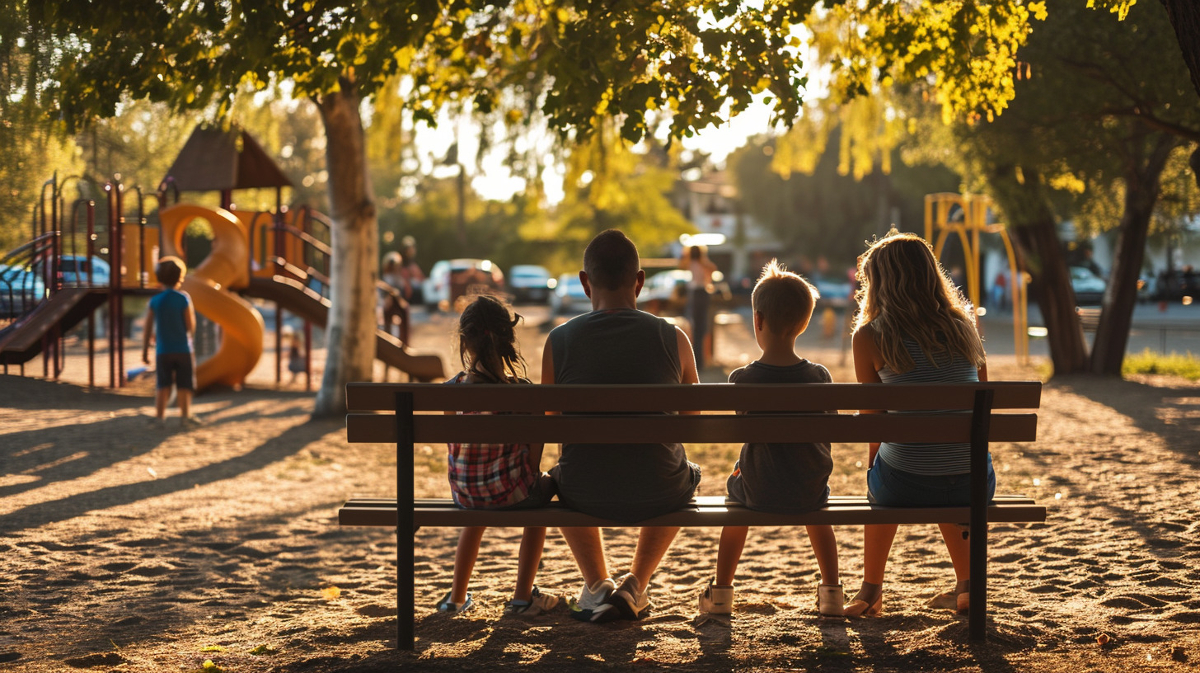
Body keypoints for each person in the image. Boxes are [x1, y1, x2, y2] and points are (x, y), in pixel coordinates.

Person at [541, 229, 701, 623]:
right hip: (660, 491)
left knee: (564, 473)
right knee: (687, 474)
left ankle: (597, 585)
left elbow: (549, 422)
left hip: (583, 493)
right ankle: (635, 585)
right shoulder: (673, 337)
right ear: (640, 281)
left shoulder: (558, 341)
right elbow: (693, 423)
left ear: (584, 282)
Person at [844, 230, 991, 617]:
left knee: (890, 472)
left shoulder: (870, 337)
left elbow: (873, 422)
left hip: (906, 481)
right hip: (973, 479)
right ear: (931, 276)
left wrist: (876, 464)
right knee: (949, 465)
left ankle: (871, 591)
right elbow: (982, 404)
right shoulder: (965, 327)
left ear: (879, 283)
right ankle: (968, 586)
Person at [698, 260, 842, 618]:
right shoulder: (819, 377)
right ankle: (833, 594)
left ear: (757, 321)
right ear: (805, 323)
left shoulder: (742, 380)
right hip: (809, 488)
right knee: (818, 509)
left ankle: (721, 593)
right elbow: (831, 428)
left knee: (735, 504)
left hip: (758, 490)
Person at [438, 294, 559, 617]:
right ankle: (522, 597)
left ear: (466, 341)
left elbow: (455, 447)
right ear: (508, 340)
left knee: (477, 511)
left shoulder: (451, 390)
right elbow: (532, 462)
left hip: (465, 494)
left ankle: (456, 597)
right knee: (542, 504)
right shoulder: (524, 393)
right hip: (513, 493)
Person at [141, 256, 199, 426]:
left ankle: (159, 417)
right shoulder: (183, 299)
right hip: (182, 349)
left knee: (163, 383)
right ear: (180, 277)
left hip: (163, 350)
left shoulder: (155, 301)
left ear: (159, 277)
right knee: (184, 384)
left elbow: (147, 329)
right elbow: (190, 327)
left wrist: (145, 350)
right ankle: (185, 416)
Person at [681, 244, 719, 369]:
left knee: (697, 328)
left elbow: (681, 263)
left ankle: (699, 361)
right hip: (702, 293)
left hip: (697, 294)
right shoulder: (701, 262)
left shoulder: (691, 262)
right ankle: (700, 361)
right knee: (700, 327)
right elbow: (713, 268)